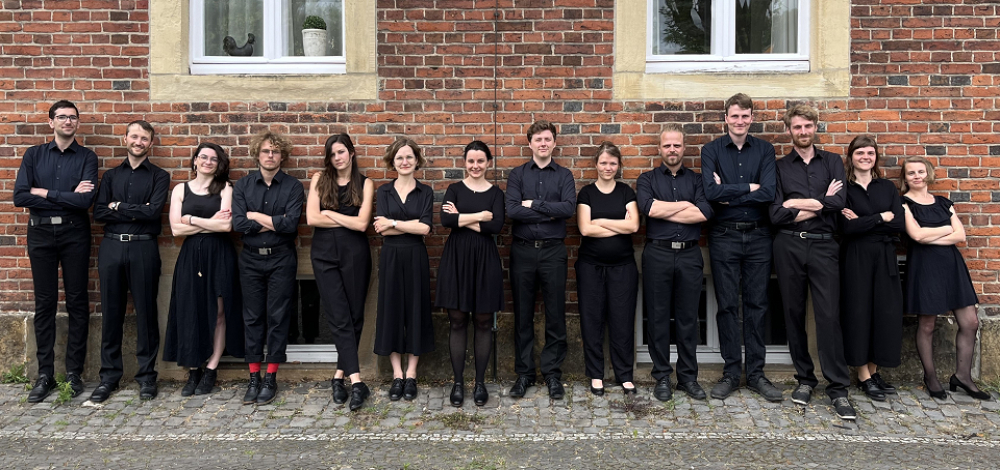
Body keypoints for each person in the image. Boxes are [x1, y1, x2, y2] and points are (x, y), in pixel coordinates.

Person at [769, 104, 855, 419]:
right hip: (788, 246)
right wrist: (819, 202)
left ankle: (837, 387)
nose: (802, 132)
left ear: (815, 126)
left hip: (824, 246)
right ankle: (805, 379)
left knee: (829, 316)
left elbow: (839, 202)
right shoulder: (779, 167)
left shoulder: (832, 161)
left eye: (807, 126)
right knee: (792, 315)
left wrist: (796, 203)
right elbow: (776, 214)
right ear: (789, 130)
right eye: (796, 127)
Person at [14, 100, 98, 403]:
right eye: (61, 117)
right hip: (39, 233)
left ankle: (74, 373)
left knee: (77, 300)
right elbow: (20, 195)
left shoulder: (87, 157)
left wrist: (43, 192)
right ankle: (45, 375)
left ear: (77, 122)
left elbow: (83, 203)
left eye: (72, 117)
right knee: (45, 302)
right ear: (51, 122)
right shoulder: (34, 155)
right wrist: (63, 196)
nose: (67, 121)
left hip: (75, 232)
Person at [700, 93, 780, 401]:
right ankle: (732, 372)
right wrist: (749, 187)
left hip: (760, 236)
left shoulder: (765, 150)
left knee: (758, 304)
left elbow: (770, 192)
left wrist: (728, 193)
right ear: (726, 118)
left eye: (745, 116)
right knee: (728, 306)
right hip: (724, 235)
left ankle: (757, 374)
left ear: (751, 119)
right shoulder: (711, 150)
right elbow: (709, 191)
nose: (740, 121)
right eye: (735, 116)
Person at [90, 120, 170, 403]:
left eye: (144, 138)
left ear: (151, 143)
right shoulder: (111, 177)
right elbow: (99, 212)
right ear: (125, 139)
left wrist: (119, 206)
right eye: (134, 136)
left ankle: (147, 377)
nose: (139, 142)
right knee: (112, 312)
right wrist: (134, 210)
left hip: (143, 249)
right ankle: (109, 377)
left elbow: (152, 214)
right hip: (112, 247)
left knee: (147, 313)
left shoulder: (160, 176)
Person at [900, 156, 988, 400]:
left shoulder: (943, 203)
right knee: (927, 324)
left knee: (970, 322)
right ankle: (930, 377)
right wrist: (944, 229)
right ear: (905, 178)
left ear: (928, 174)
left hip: (951, 266)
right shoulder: (904, 204)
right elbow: (916, 235)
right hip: (925, 267)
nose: (916, 176)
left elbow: (960, 235)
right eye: (911, 173)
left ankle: (962, 376)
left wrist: (931, 235)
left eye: (920, 171)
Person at [637, 126, 712, 401]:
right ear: (660, 148)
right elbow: (650, 209)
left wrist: (667, 208)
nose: (672, 150)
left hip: (690, 255)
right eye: (667, 145)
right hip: (657, 253)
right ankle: (661, 377)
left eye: (677, 146)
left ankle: (688, 378)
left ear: (684, 148)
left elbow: (704, 213)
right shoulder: (646, 180)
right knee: (657, 318)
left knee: (688, 319)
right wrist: (685, 205)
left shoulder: (698, 180)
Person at [163, 142, 244, 396]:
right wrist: (209, 222)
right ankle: (193, 370)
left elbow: (226, 227)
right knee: (190, 310)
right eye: (204, 157)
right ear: (195, 160)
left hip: (219, 254)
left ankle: (211, 368)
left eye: (214, 159)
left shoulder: (226, 188)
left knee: (219, 312)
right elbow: (176, 230)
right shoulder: (180, 189)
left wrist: (192, 220)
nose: (208, 162)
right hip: (190, 256)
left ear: (220, 165)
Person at [505, 120, 576, 400]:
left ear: (554, 143)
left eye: (548, 139)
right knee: (522, 313)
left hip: (553, 251)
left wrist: (533, 204)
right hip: (522, 250)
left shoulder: (565, 175)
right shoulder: (518, 174)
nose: (543, 144)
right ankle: (524, 373)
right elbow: (512, 210)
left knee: (555, 313)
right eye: (538, 139)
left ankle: (552, 374)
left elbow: (568, 208)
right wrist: (550, 212)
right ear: (530, 143)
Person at [232, 131, 304, 406]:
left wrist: (256, 216)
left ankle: (271, 376)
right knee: (251, 318)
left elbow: (290, 226)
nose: (270, 156)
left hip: (281, 258)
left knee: (277, 317)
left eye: (275, 151)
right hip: (250, 258)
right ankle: (253, 377)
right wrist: (274, 220)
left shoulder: (293, 186)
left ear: (282, 156)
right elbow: (239, 224)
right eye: (265, 151)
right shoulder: (243, 186)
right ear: (257, 154)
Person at [307, 133, 375, 411]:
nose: (338, 158)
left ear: (351, 153)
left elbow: (362, 225)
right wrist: (346, 218)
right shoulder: (318, 180)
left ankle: (338, 376)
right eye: (333, 154)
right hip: (324, 255)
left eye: (341, 152)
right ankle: (357, 382)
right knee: (338, 315)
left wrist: (331, 214)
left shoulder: (366, 183)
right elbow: (312, 218)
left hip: (356, 254)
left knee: (354, 315)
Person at [437, 141, 505, 407]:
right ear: (464, 163)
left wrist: (462, 218)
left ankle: (479, 383)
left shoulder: (496, 193)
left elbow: (497, 225)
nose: (475, 166)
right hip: (457, 258)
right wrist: (479, 217)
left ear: (488, 162)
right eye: (470, 161)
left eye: (480, 161)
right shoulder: (454, 189)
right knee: (457, 320)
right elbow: (445, 221)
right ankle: (457, 383)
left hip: (485, 259)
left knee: (484, 320)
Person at [839, 136, 904, 401]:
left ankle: (875, 370)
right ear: (851, 156)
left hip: (885, 255)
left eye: (870, 153)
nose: (866, 157)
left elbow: (898, 222)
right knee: (859, 311)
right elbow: (845, 228)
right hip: (856, 256)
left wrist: (864, 221)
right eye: (860, 153)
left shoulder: (886, 187)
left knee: (885, 312)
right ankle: (863, 374)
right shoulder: (844, 188)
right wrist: (879, 217)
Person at [373, 138, 435, 402]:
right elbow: (381, 229)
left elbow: (425, 228)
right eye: (399, 158)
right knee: (392, 310)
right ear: (392, 161)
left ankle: (412, 374)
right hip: (391, 254)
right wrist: (405, 224)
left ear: (416, 160)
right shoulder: (384, 192)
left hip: (415, 254)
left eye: (409, 157)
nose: (405, 162)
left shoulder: (425, 192)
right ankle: (397, 374)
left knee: (416, 310)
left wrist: (394, 221)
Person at [576, 142, 640, 397]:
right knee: (592, 320)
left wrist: (600, 220)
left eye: (612, 163)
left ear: (618, 165)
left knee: (622, 320)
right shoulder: (587, 193)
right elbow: (585, 229)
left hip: (623, 267)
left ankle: (624, 375)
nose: (608, 167)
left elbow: (634, 225)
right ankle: (596, 374)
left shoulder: (626, 192)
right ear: (596, 165)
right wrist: (617, 224)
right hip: (590, 267)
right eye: (603, 162)